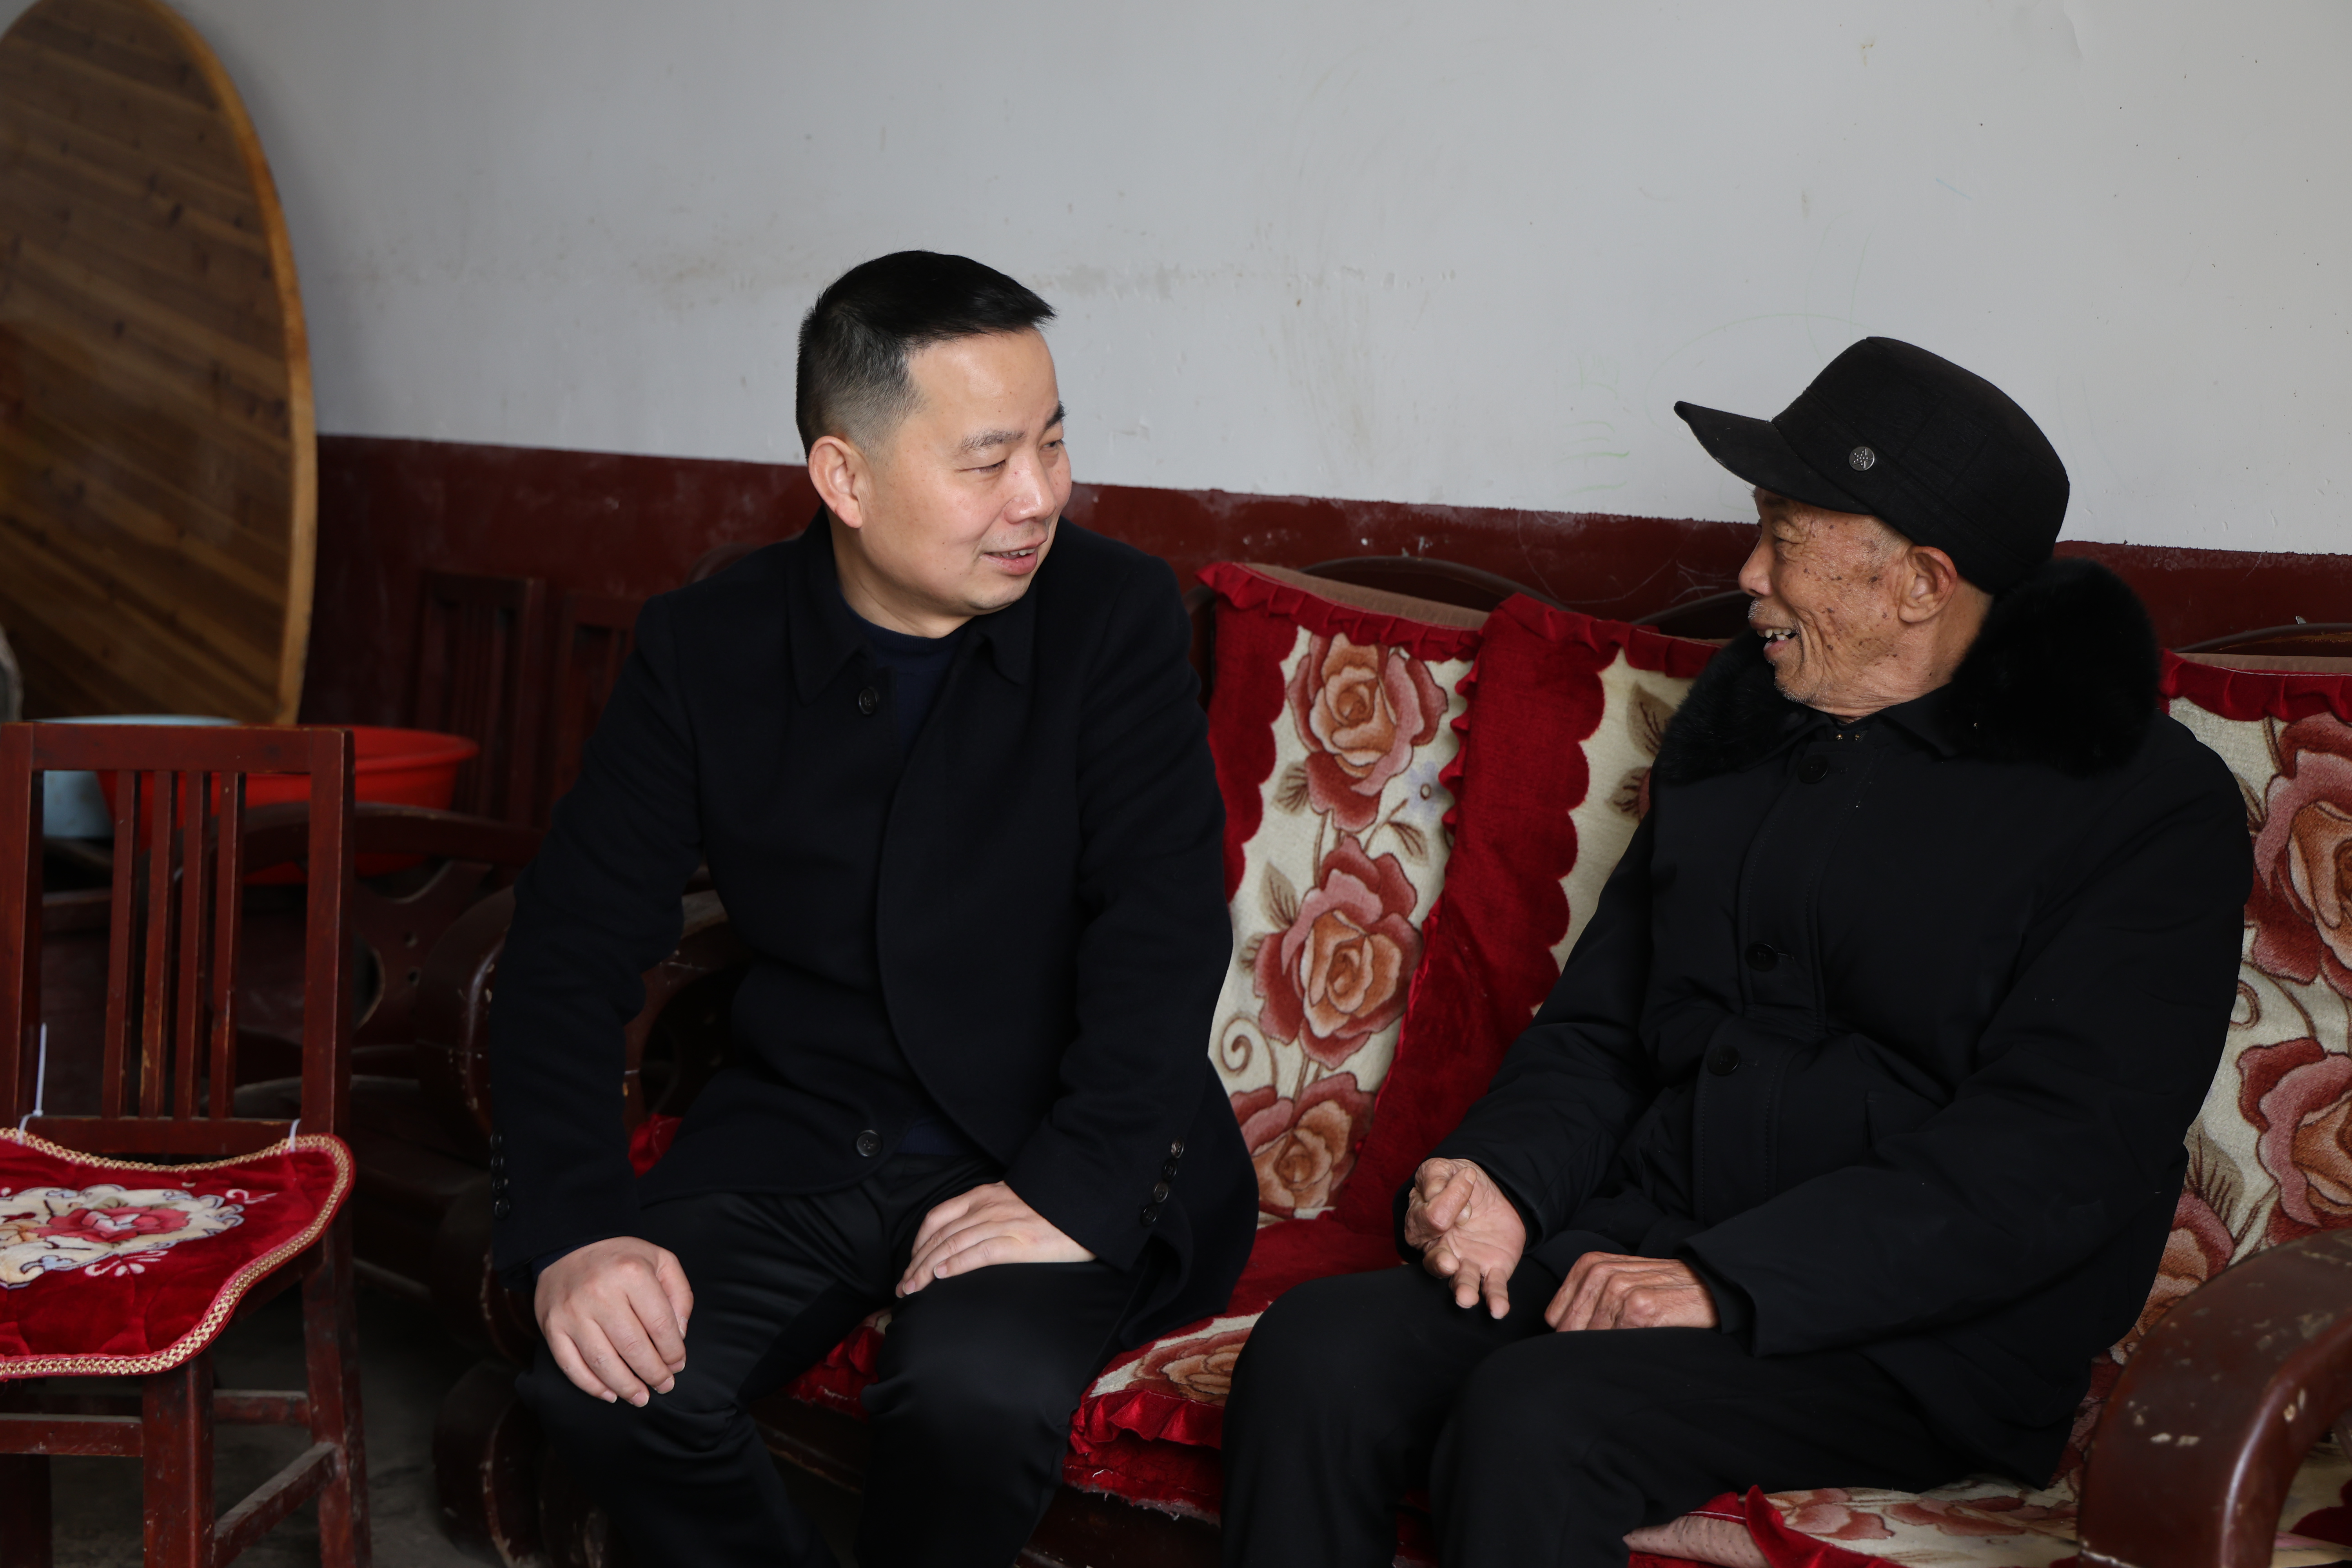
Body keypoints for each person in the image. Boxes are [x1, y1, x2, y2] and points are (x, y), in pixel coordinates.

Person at [1219, 338, 2252, 1568]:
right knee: (1317, 1356)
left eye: (1784, 537)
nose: (1748, 574)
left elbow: (2054, 1154)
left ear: (1919, 583)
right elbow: (1606, 1026)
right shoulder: (1747, 726)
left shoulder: (2143, 805)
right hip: (1647, 1246)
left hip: (1911, 1334)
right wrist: (1503, 1182)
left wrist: (1733, 1281)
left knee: (1538, 1420)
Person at [491, 251, 1255, 1568]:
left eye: (1053, 442)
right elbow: (569, 949)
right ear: (844, 479)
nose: (1039, 496)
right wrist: (575, 1226)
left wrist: (1072, 1191)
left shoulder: (1113, 616)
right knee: (602, 1381)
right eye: (989, 460)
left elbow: (1166, 927)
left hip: (1042, 1137)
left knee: (970, 1396)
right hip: (799, 1136)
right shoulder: (707, 647)